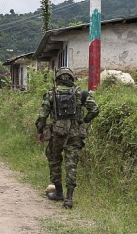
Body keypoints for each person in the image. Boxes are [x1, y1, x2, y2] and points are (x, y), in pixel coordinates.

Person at [35, 67, 99, 209]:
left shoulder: (51, 94)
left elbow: (42, 116)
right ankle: (69, 199)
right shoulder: (81, 94)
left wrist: (40, 130)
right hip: (75, 135)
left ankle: (58, 193)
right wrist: (84, 121)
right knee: (71, 165)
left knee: (54, 162)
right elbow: (95, 109)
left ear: (57, 79)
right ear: (71, 78)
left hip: (56, 134)